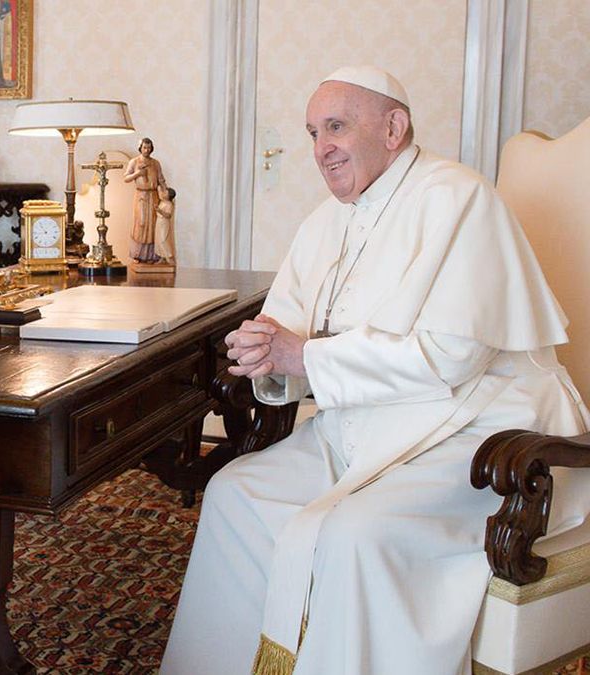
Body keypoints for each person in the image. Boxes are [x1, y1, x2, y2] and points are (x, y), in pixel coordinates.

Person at [160, 66, 590, 675]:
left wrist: (302, 356)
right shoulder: (325, 221)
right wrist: (266, 355)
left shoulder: (457, 198)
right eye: (313, 133)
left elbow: (452, 355)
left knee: (354, 533)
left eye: (336, 127)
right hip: (361, 430)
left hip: (472, 431)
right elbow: (289, 334)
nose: (321, 149)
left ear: (394, 128)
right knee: (236, 494)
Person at [123, 137, 166, 263]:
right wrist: (138, 174)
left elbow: (161, 179)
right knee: (141, 223)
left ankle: (152, 255)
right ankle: (137, 254)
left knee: (153, 224)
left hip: (153, 196)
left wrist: (165, 192)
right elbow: (126, 178)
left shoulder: (156, 163)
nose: (146, 150)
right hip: (141, 196)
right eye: (144, 147)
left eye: (149, 148)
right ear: (140, 148)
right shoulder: (134, 162)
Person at [153, 185, 176, 265]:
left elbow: (168, 215)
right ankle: (162, 258)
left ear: (169, 196)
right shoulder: (163, 201)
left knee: (163, 239)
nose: (163, 193)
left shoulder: (169, 204)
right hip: (159, 222)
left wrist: (159, 210)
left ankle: (170, 257)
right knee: (158, 239)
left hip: (164, 223)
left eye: (165, 193)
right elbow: (159, 189)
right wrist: (160, 183)